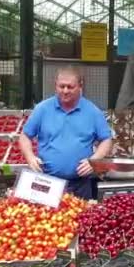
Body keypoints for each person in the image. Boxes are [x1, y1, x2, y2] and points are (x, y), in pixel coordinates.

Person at [20, 66, 113, 200]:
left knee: (82, 219)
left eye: (70, 87)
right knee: (48, 219)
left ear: (80, 86)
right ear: (55, 86)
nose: (65, 91)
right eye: (61, 86)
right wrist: (30, 157)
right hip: (47, 182)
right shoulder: (42, 109)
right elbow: (25, 136)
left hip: (81, 185)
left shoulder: (93, 112)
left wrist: (95, 160)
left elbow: (106, 139)